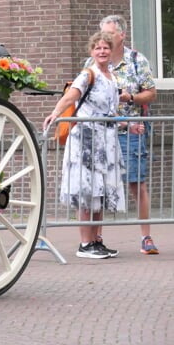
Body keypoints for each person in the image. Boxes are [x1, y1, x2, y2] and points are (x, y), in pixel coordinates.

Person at [44, 31, 125, 259]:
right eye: (97, 48)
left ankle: (97, 240)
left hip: (106, 140)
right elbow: (71, 97)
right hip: (86, 140)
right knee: (86, 190)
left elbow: (110, 110)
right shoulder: (88, 74)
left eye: (106, 48)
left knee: (100, 191)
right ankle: (84, 244)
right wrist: (55, 114)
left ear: (111, 51)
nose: (102, 52)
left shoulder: (112, 77)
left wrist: (127, 125)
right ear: (91, 51)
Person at [92, 15, 158, 255]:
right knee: (99, 185)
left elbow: (151, 93)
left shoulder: (136, 60)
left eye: (110, 34)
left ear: (122, 35)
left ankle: (146, 237)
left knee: (136, 183)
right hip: (102, 131)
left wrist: (129, 97)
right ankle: (95, 238)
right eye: (102, 34)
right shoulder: (95, 61)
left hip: (131, 131)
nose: (105, 39)